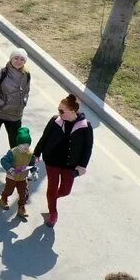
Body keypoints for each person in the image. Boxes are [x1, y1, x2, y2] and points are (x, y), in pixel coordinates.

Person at [32, 94, 94, 227]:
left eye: (61, 110)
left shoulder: (85, 126)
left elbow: (87, 148)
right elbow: (45, 137)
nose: (58, 113)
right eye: (58, 109)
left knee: (65, 190)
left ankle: (51, 199)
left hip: (70, 165)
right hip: (52, 161)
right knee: (52, 187)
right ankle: (53, 214)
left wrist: (82, 166)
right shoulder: (55, 120)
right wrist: (36, 153)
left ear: (72, 111)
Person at [0, 49, 31, 172]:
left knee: (15, 142)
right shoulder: (0, 73)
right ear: (11, 58)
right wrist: (1, 103)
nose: (18, 61)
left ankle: (15, 163)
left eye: (22, 59)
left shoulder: (27, 74)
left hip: (15, 115)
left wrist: (24, 102)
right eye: (16, 58)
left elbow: (26, 91)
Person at [0, 127, 34, 221]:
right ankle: (3, 199)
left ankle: (21, 208)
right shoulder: (12, 153)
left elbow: (32, 164)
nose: (25, 147)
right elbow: (3, 160)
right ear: (18, 144)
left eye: (27, 145)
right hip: (12, 177)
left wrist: (34, 172)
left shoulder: (30, 154)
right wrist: (10, 168)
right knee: (9, 190)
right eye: (23, 145)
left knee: (24, 194)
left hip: (23, 178)